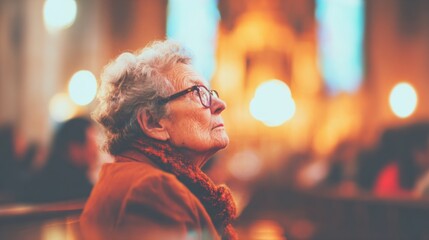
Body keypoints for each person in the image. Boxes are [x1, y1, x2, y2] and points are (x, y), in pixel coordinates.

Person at [80, 40, 237, 240]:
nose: (220, 104)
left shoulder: (138, 179)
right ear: (153, 122)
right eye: (198, 93)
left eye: (210, 92)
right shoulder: (151, 190)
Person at [19, 117, 98, 203]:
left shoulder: (34, 181)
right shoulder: (81, 189)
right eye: (92, 143)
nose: (96, 151)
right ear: (74, 148)